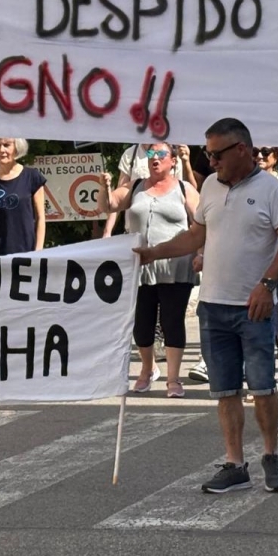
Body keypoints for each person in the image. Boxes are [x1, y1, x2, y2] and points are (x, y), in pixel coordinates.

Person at [135, 118, 278, 494]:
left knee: (262, 387)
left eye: (216, 154)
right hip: (212, 306)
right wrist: (154, 252)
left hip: (253, 308)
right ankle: (235, 464)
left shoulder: (271, 189)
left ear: (241, 149)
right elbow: (196, 235)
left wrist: (266, 286)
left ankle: (271, 455)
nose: (211, 161)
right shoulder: (209, 185)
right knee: (225, 391)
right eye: (208, 154)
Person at [106, 142, 199, 398]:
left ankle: (173, 379)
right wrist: (105, 187)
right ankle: (147, 370)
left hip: (175, 266)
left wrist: (201, 253)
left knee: (172, 321)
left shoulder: (184, 188)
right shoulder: (136, 186)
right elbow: (109, 205)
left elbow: (202, 221)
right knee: (142, 323)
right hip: (141, 265)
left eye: (161, 154)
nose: (154, 158)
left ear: (173, 161)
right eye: (150, 154)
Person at [0, 138, 47, 255]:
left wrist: (38, 253)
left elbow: (40, 217)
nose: (2, 150)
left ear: (17, 148)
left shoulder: (32, 177)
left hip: (25, 252)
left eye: (7, 145)